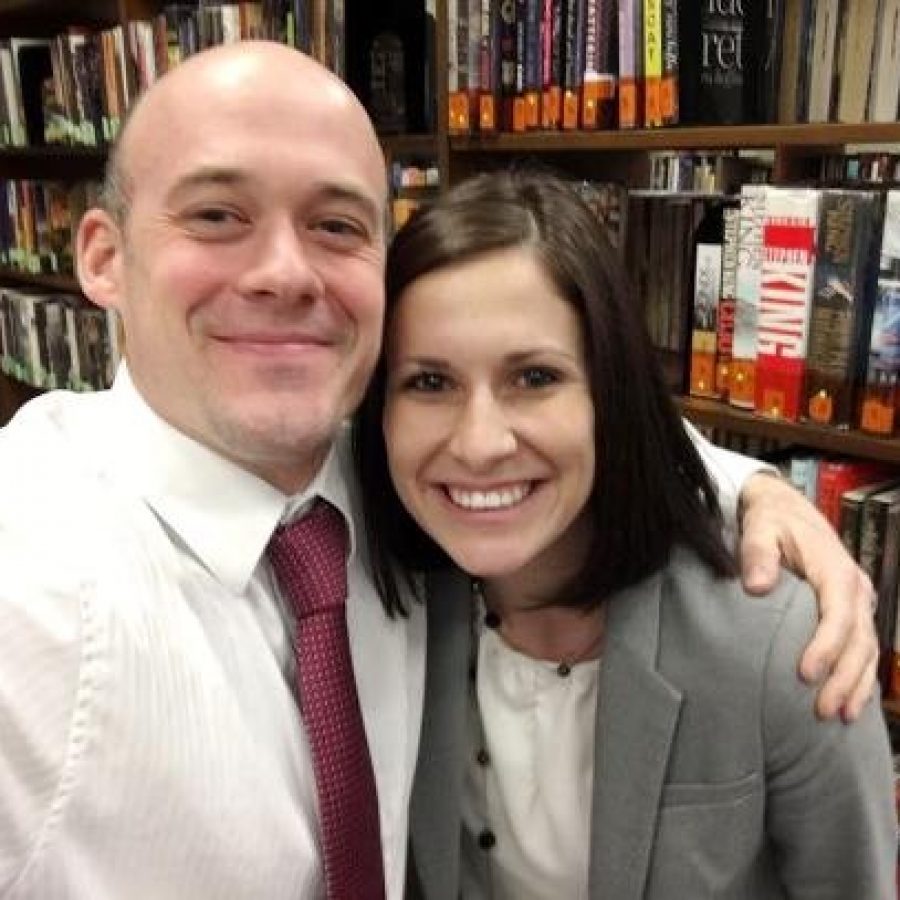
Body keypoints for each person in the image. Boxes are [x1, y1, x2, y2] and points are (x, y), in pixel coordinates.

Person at [0, 40, 879, 899]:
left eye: (335, 224)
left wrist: (757, 488)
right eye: (217, 215)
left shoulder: (379, 494)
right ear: (102, 257)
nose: (283, 272)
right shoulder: (34, 573)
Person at [352, 169, 897, 899]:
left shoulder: (782, 650)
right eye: (428, 382)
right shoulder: (389, 614)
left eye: (535, 377)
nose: (479, 443)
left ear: (610, 392)